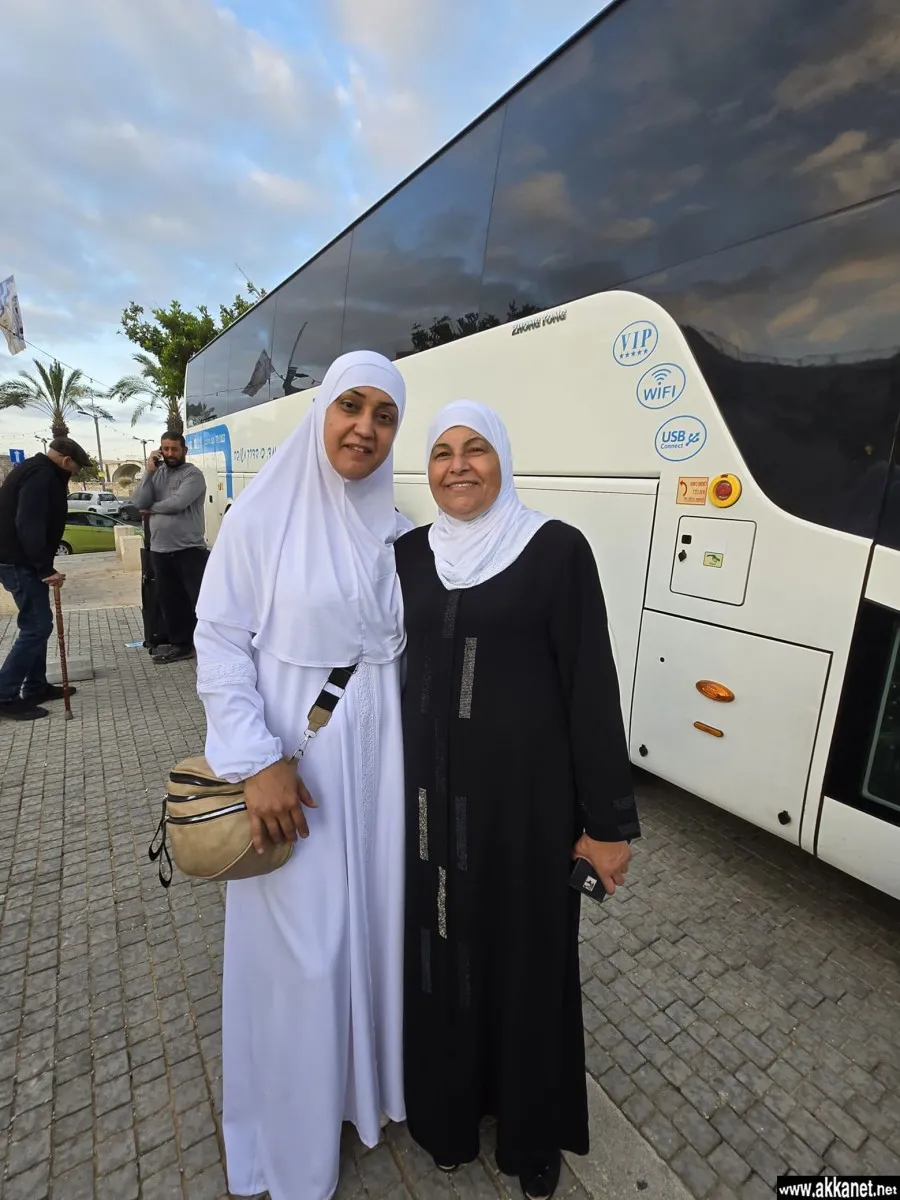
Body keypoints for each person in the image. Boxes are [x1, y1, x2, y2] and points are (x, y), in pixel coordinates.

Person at [395, 401, 641, 1199]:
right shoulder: (408, 555)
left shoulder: (555, 550)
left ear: (502, 459)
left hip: (529, 816)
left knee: (529, 965)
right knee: (440, 958)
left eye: (475, 450)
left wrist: (606, 826)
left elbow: (591, 689)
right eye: (442, 452)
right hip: (431, 816)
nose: (458, 466)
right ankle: (449, 1116)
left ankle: (532, 1135)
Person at [193, 351, 409, 1200]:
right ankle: (290, 1144)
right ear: (321, 412)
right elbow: (218, 641)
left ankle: (360, 1098)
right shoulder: (264, 518)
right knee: (303, 954)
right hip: (296, 769)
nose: (365, 428)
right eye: (350, 406)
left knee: (371, 928)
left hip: (381, 774)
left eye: (384, 415)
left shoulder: (395, 530)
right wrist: (255, 762)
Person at [0, 437, 91, 722]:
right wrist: (44, 569)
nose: (75, 473)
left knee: (37, 624)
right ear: (66, 460)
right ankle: (4, 695)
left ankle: (35, 686)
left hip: (21, 561)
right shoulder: (41, 476)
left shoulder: (35, 469)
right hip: (19, 563)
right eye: (76, 467)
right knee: (37, 627)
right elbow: (29, 524)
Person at [131, 430, 208, 664]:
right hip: (160, 550)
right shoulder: (156, 474)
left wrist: (150, 509)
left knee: (199, 601)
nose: (170, 453)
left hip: (190, 550)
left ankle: (209, 644)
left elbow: (178, 503)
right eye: (165, 449)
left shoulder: (193, 475)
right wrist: (148, 472)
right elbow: (139, 501)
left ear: (184, 450)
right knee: (170, 601)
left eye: (174, 449)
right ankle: (181, 645)